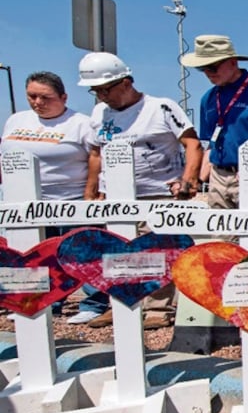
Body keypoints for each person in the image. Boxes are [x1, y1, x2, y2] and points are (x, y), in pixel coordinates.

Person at [77, 52, 204, 329]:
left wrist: (189, 180)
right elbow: (96, 153)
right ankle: (121, 303)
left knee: (158, 251)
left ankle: (158, 307)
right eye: (95, 90)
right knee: (115, 253)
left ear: (126, 82)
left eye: (106, 89)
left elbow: (192, 144)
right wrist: (91, 190)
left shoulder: (161, 108)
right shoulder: (100, 113)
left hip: (157, 191)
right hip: (116, 195)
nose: (101, 96)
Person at [0, 71, 109, 321]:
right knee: (36, 255)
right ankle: (42, 301)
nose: (38, 102)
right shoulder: (16, 120)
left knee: (82, 252)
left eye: (45, 97)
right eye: (32, 96)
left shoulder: (80, 123)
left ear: (63, 96)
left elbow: (95, 156)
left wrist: (90, 191)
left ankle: (93, 303)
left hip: (71, 198)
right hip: (27, 201)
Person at [181, 35, 248, 213]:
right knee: (221, 238)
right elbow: (212, 145)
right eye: (202, 68)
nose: (208, 73)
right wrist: (198, 180)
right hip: (218, 176)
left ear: (232, 62)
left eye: (213, 66)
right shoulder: (208, 99)